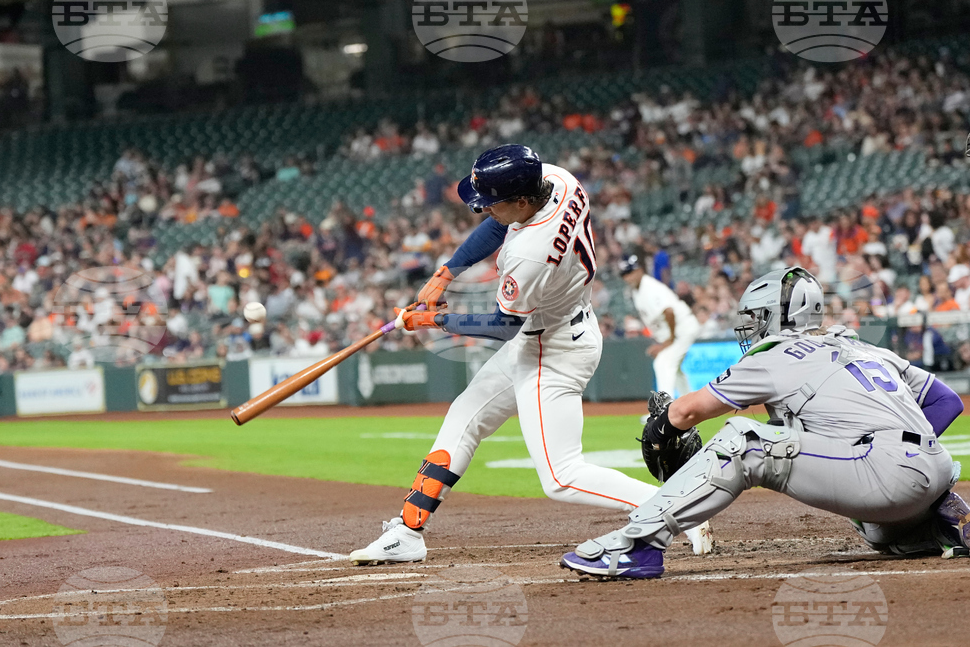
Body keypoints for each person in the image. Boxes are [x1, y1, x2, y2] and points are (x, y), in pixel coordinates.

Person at [349, 144, 713, 565]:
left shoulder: (530, 255)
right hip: (554, 328)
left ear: (521, 199)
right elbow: (500, 225)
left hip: (553, 348)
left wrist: (433, 322)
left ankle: (678, 509)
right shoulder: (557, 179)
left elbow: (505, 325)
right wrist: (446, 272)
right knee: (463, 417)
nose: (483, 210)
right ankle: (408, 532)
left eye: (492, 202)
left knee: (561, 477)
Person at [560, 267, 969, 579]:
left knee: (745, 439)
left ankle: (636, 545)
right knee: (875, 529)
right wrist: (906, 452)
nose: (750, 325)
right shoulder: (856, 344)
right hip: (933, 468)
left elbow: (687, 411)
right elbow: (945, 401)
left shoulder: (774, 355)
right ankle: (935, 525)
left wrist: (660, 427)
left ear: (778, 315)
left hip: (886, 474)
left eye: (756, 316)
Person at [620, 252, 701, 396]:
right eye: (625, 274)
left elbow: (669, 312)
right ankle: (688, 403)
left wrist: (668, 340)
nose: (628, 277)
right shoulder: (636, 291)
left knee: (663, 363)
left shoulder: (650, 287)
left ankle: (663, 409)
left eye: (631, 272)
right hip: (675, 331)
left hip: (682, 327)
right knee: (674, 370)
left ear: (640, 270)